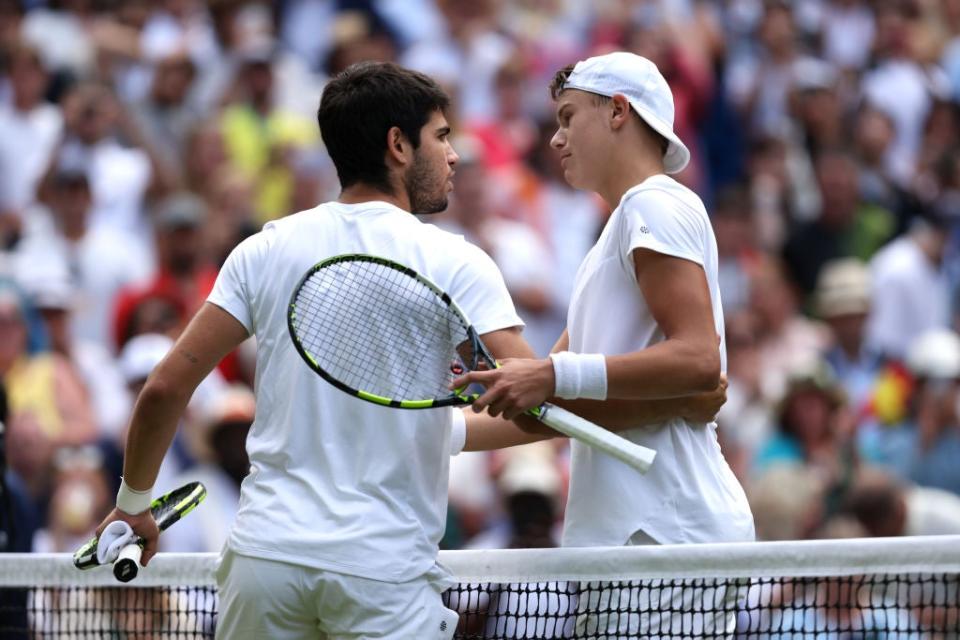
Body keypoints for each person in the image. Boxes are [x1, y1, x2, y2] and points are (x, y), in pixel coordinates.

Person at [91, 60, 536, 640]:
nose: (453, 156)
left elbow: (165, 387)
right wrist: (607, 387)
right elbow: (534, 393)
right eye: (443, 136)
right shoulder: (459, 261)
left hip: (266, 565)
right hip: (383, 577)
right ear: (398, 145)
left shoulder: (265, 247)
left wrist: (133, 504)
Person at [453, 51, 755, 636]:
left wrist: (555, 376)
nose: (557, 140)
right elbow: (552, 411)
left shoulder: (655, 203)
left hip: (667, 539)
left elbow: (699, 358)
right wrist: (439, 435)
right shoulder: (613, 236)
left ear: (617, 112)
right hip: (632, 549)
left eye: (568, 118)